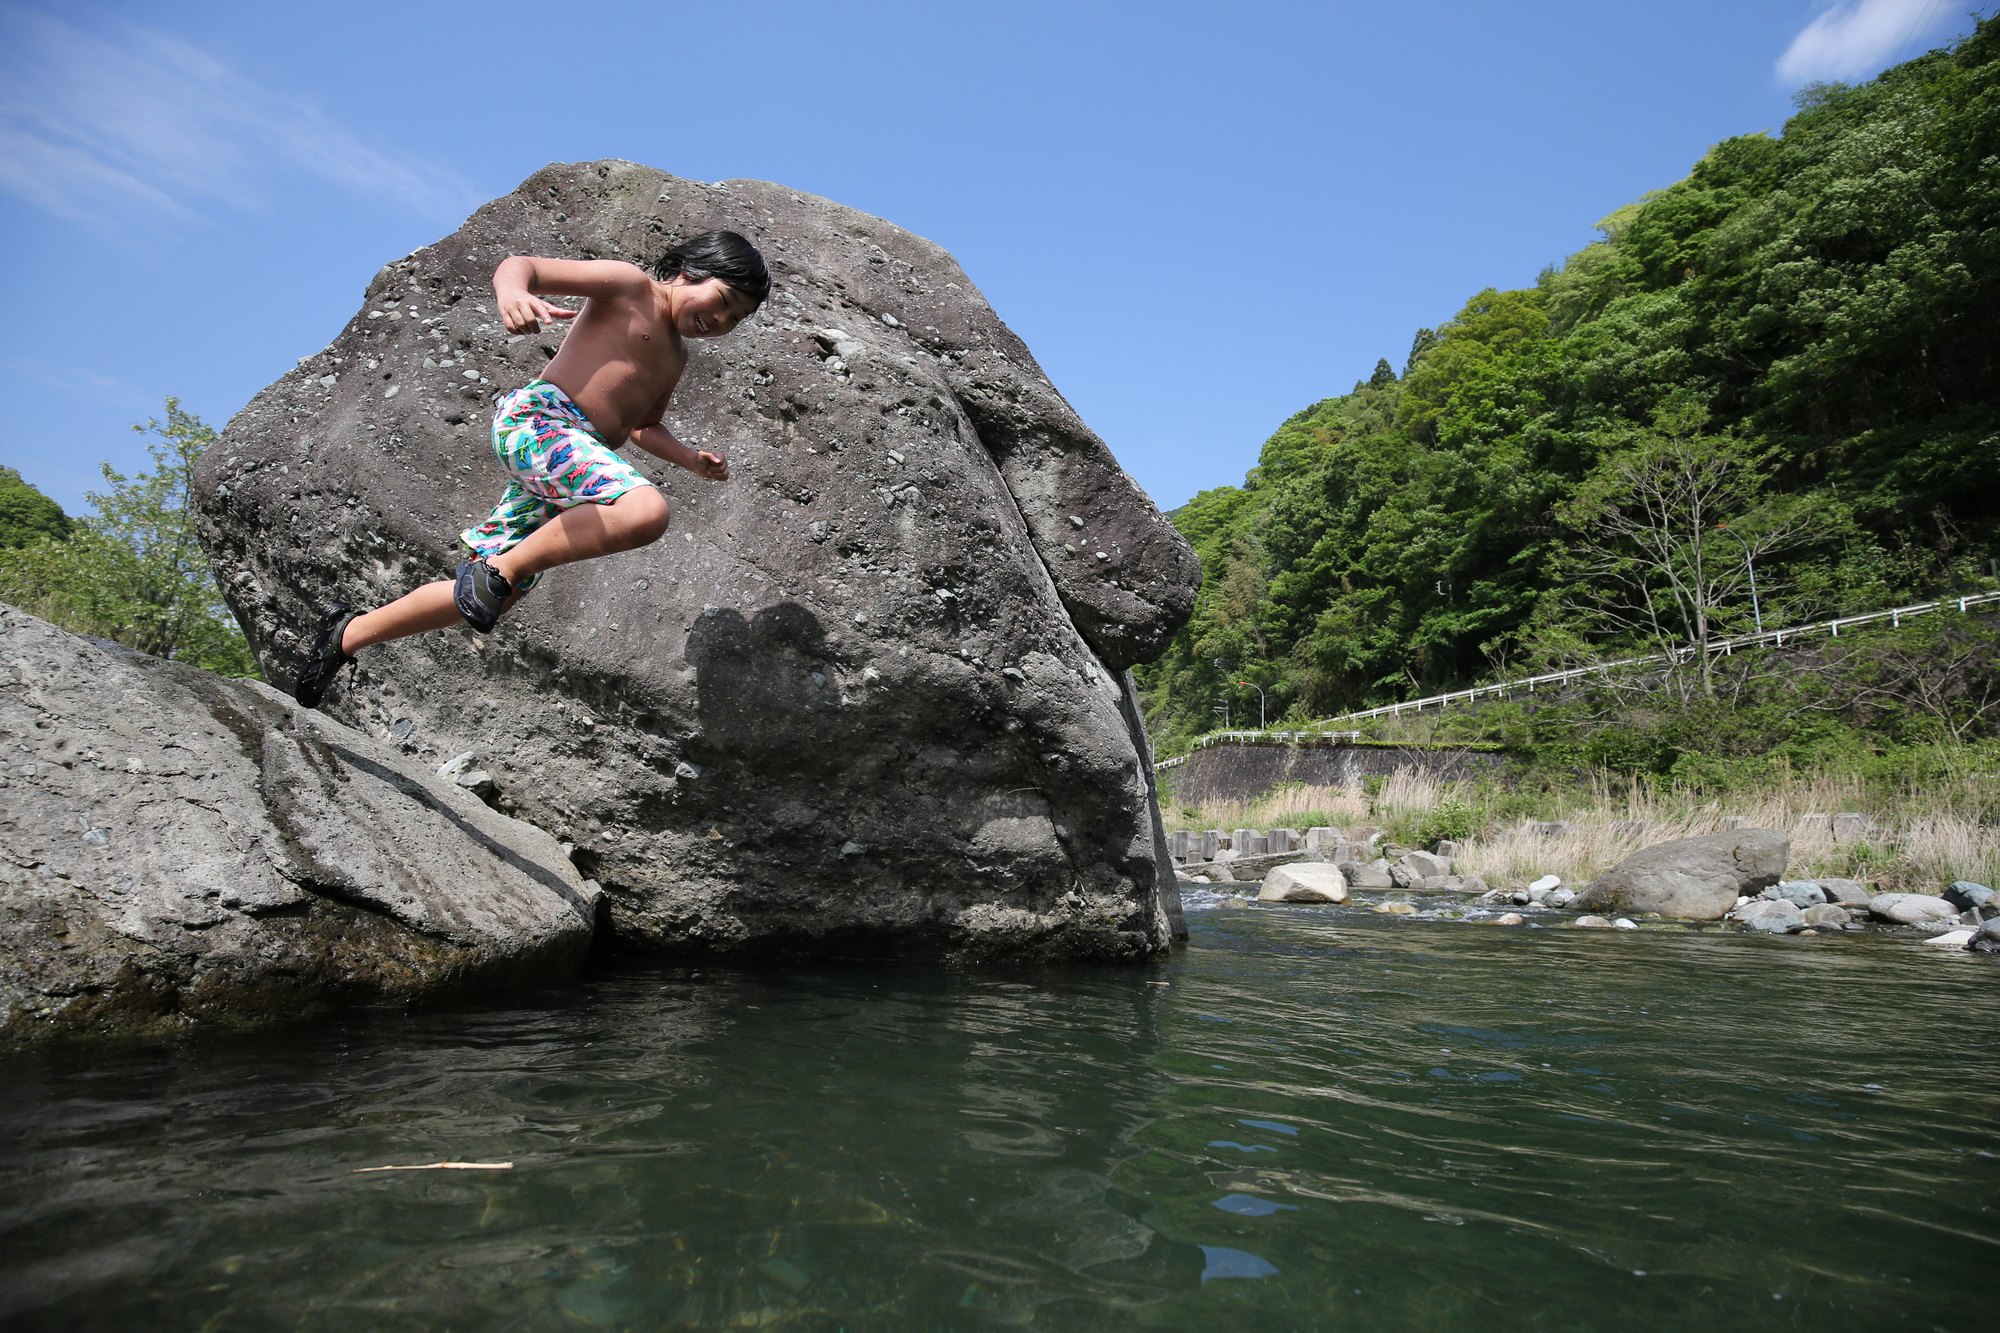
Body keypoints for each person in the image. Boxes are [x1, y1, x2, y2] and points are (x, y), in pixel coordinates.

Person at [293, 229, 769, 708]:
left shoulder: (676, 357)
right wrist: (514, 293)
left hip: (569, 462)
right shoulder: (630, 286)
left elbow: (645, 426)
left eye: (737, 318)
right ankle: (501, 570)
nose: (723, 319)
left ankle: (348, 634)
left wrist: (689, 458)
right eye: (724, 300)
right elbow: (521, 264)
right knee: (644, 511)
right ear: (689, 269)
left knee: (497, 594)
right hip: (541, 423)